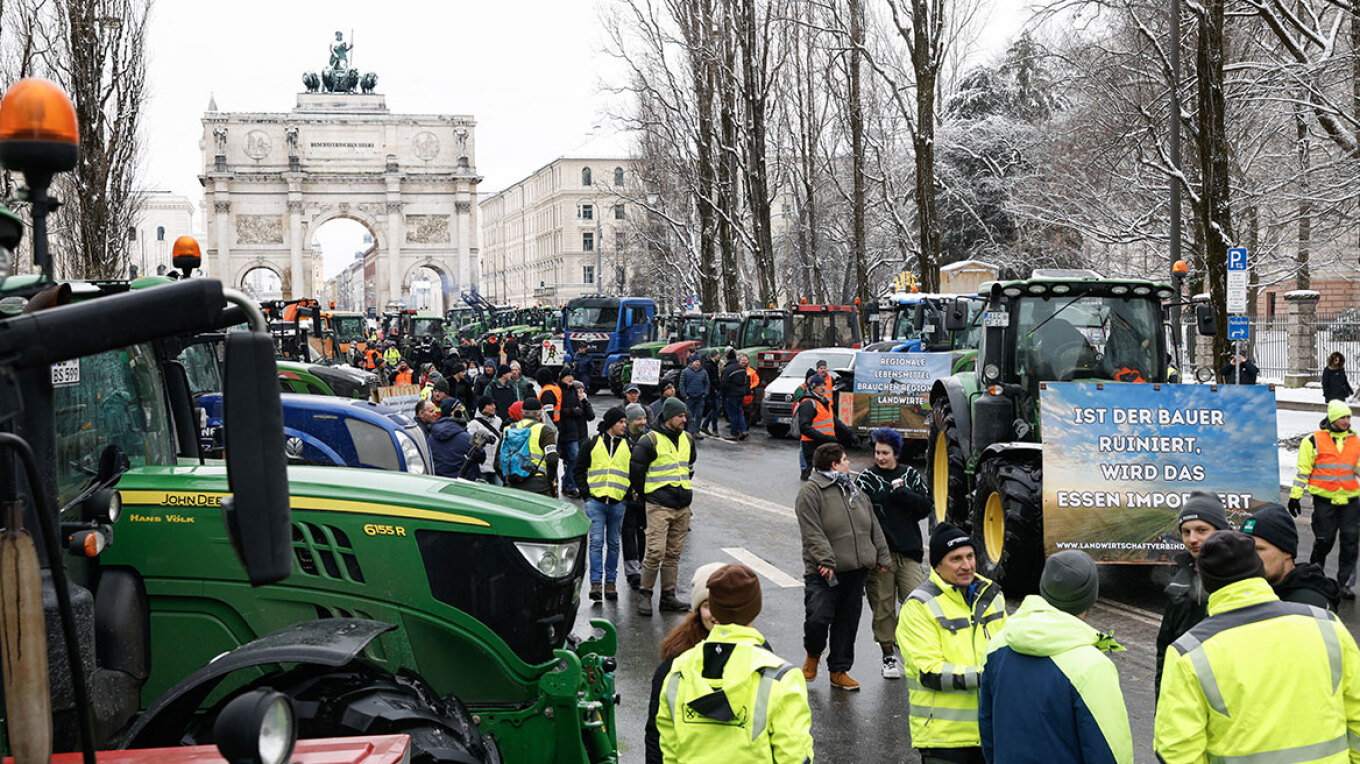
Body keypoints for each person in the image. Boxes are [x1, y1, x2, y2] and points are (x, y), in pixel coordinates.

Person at [1153, 530, 1360, 762]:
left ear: (1206, 582)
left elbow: (1177, 750)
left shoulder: (1189, 652)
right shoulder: (1326, 625)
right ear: (1259, 571)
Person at [979, 551, 1133, 764]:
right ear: (1090, 598)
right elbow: (1109, 751)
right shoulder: (1092, 665)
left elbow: (987, 727)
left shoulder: (998, 644)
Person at [654, 564, 814, 764]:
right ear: (755, 609)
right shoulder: (781, 677)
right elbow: (794, 756)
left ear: (714, 609)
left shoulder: (678, 670)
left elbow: (669, 749)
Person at [897, 522, 1007, 763]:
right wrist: (987, 676)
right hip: (944, 740)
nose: (967, 565)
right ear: (937, 565)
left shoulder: (992, 595)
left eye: (970, 556)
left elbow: (1007, 650)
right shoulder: (919, 606)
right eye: (956, 559)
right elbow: (930, 672)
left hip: (993, 732)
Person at [796, 442, 888, 692]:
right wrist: (825, 560)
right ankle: (813, 654)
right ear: (834, 464)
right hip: (824, 572)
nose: (850, 463)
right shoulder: (811, 492)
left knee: (847, 623)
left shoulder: (854, 490)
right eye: (846, 459)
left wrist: (881, 556)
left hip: (855, 569)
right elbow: (812, 531)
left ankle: (839, 670)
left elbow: (872, 526)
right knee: (818, 618)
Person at [856, 428, 931, 679]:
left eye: (885, 453)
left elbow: (924, 507)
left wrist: (902, 494)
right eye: (877, 452)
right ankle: (888, 655)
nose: (880, 457)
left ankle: (906, 641)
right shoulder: (866, 478)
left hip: (908, 551)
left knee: (915, 602)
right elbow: (858, 513)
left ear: (895, 453)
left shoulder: (909, 475)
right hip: (881, 555)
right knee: (883, 606)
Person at [645, 561, 725, 764]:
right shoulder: (676, 661)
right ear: (698, 609)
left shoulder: (758, 655)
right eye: (708, 605)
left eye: (723, 605)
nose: (715, 614)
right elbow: (657, 733)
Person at [1155, 491, 1229, 697]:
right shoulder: (1181, 577)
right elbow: (1165, 649)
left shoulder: (1239, 576)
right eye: (1186, 532)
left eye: (1201, 530)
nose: (1192, 539)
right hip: (1185, 692)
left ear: (1221, 531)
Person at [630, 396, 697, 616]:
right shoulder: (649, 441)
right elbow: (636, 472)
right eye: (680, 416)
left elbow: (689, 465)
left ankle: (668, 596)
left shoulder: (687, 438)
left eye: (685, 415)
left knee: (673, 553)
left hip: (682, 505)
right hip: (659, 505)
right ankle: (645, 594)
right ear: (669, 417)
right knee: (655, 551)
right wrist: (648, 495)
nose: (684, 419)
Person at [1290, 399, 1360, 599]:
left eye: (1348, 417)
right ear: (1332, 419)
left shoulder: (1354, 440)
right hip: (1324, 501)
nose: (1346, 421)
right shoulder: (1313, 440)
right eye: (1342, 417)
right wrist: (1295, 496)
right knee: (1324, 540)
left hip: (1350, 501)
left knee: (1350, 543)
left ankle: (1345, 583)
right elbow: (1304, 471)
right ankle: (1315, 573)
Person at [575, 407, 631, 602]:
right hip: (596, 502)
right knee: (596, 543)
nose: (625, 425)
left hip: (617, 503)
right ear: (610, 424)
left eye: (625, 422)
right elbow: (579, 470)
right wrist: (586, 496)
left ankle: (611, 583)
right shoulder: (591, 443)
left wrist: (626, 498)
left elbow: (633, 473)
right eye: (621, 422)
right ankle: (596, 584)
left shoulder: (628, 446)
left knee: (614, 544)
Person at [1241, 503, 1340, 610]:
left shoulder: (1308, 606)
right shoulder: (1257, 589)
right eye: (1245, 548)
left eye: (1260, 549)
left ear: (1287, 552)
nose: (1250, 556)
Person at [796, 374, 853, 481]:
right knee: (815, 476)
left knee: (826, 474)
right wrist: (824, 437)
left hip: (825, 444)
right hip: (812, 445)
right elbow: (804, 427)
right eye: (819, 385)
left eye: (824, 385)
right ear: (813, 387)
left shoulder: (824, 402)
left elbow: (835, 421)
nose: (823, 388)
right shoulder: (808, 403)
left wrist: (850, 434)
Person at [497, 397, 558, 497]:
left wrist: (507, 478)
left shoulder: (508, 429)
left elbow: (498, 459)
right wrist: (549, 479)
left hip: (513, 483)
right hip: (538, 483)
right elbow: (552, 458)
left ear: (522, 412)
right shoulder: (544, 430)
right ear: (540, 413)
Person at [622, 402, 651, 590]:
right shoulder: (622, 439)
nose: (642, 422)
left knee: (643, 530)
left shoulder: (649, 439)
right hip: (625, 494)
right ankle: (632, 571)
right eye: (639, 419)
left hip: (645, 493)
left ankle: (640, 564)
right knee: (627, 531)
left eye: (644, 418)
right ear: (630, 421)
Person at [427, 400, 473, 478]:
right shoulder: (464, 437)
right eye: (458, 408)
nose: (462, 410)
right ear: (452, 412)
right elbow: (481, 455)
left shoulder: (431, 437)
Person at [463, 396, 502, 485]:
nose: (493, 407)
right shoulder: (473, 424)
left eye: (494, 404)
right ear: (482, 407)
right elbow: (471, 445)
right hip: (481, 466)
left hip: (496, 465)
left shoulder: (498, 421)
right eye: (490, 404)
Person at [720, 350, 750, 440]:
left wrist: (723, 395)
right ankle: (744, 430)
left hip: (731, 394)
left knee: (732, 414)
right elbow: (746, 381)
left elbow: (724, 384)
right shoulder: (742, 368)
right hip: (741, 394)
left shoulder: (728, 369)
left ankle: (733, 433)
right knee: (739, 412)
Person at [678, 356, 708, 439]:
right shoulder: (685, 372)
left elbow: (707, 383)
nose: (697, 363)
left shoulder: (704, 372)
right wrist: (684, 395)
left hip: (700, 397)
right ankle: (688, 432)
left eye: (699, 361)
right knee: (688, 415)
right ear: (692, 362)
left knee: (699, 415)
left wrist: (705, 393)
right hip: (690, 397)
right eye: (696, 361)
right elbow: (682, 384)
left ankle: (697, 431)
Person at [700, 349, 722, 437]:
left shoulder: (713, 364)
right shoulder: (708, 365)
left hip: (714, 389)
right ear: (714, 355)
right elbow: (708, 379)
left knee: (715, 409)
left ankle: (705, 425)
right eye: (718, 354)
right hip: (711, 390)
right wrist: (714, 388)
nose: (719, 356)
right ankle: (714, 429)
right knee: (715, 409)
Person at [742, 354, 761, 426]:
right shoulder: (738, 370)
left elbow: (756, 381)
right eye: (742, 360)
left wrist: (751, 387)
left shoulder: (752, 371)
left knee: (747, 411)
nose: (744, 361)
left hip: (748, 395)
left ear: (748, 361)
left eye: (745, 360)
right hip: (739, 394)